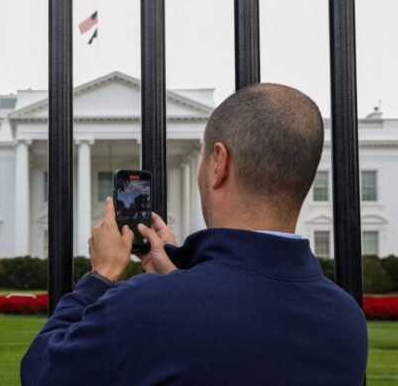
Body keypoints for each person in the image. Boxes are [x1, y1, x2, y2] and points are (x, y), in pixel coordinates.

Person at [20, 84, 368, 385]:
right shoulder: (346, 320)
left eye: (202, 157)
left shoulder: (145, 306)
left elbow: (43, 373)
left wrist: (101, 275)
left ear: (219, 164)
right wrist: (180, 278)